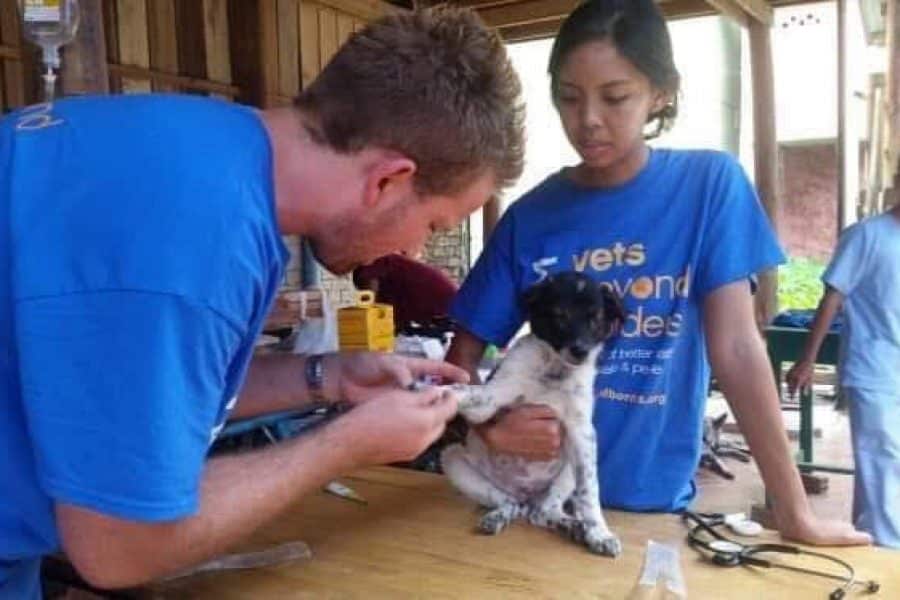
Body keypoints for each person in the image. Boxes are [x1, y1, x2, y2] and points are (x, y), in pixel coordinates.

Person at [0, 7, 524, 597]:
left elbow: (142, 396)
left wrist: (328, 377)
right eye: (433, 223)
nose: (415, 247)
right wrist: (343, 445)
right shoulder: (198, 241)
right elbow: (120, 547)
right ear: (386, 181)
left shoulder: (200, 154)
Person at [445, 0, 870, 547]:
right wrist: (488, 427)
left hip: (649, 507)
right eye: (569, 97)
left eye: (615, 97)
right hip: (526, 509)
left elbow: (738, 350)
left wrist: (793, 511)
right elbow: (460, 361)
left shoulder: (708, 186)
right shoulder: (530, 217)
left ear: (660, 93)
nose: (589, 119)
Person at [786, 201, 900, 548]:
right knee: (882, 462)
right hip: (873, 370)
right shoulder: (868, 235)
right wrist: (808, 359)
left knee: (884, 470)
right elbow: (833, 298)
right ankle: (888, 553)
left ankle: (872, 542)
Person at [352, 253, 459, 334]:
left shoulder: (371, 261)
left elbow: (368, 307)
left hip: (444, 311)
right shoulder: (387, 269)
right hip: (449, 309)